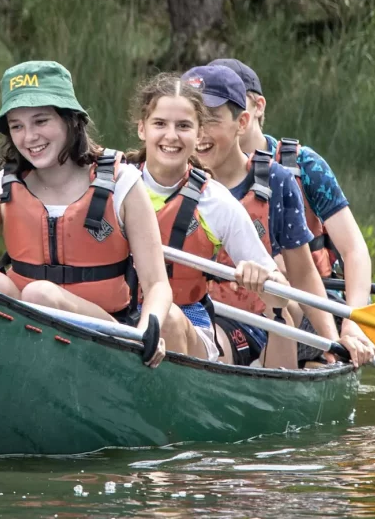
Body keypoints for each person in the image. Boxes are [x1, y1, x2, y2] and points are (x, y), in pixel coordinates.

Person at [0, 60, 172, 368]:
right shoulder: (3, 186)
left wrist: (148, 328)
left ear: (70, 120)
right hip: (25, 332)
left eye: (41, 121)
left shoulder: (123, 183)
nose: (29, 137)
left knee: (40, 293)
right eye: (17, 126)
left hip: (109, 336)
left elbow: (157, 283)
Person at [184, 64, 373, 367]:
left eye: (211, 117)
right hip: (210, 310)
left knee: (282, 273)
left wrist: (352, 324)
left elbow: (352, 251)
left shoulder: (295, 169)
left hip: (299, 306)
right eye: (191, 119)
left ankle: (315, 360)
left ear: (249, 113)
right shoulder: (177, 174)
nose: (198, 131)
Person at [127, 72, 296, 369]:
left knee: (166, 319)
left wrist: (263, 278)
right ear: (142, 129)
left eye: (183, 126)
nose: (171, 136)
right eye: (160, 124)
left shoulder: (215, 202)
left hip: (186, 319)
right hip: (121, 313)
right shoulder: (116, 182)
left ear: (198, 132)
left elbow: (281, 295)